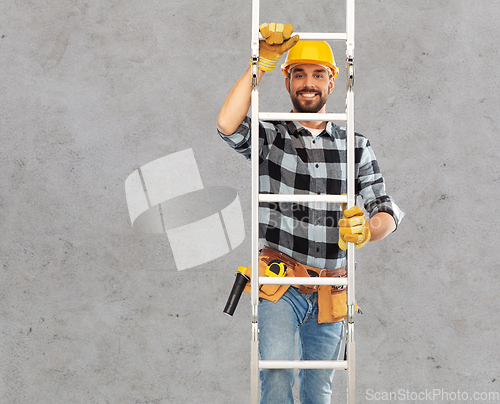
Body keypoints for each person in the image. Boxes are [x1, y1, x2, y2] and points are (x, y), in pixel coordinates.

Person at [217, 23, 404, 404]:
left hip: (331, 288)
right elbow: (228, 125)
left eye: (319, 75)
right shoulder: (273, 135)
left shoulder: (355, 144)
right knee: (277, 374)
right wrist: (261, 63)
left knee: (319, 387)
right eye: (298, 74)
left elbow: (384, 208)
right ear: (287, 82)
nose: (308, 83)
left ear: (333, 83)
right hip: (280, 284)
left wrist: (368, 230)